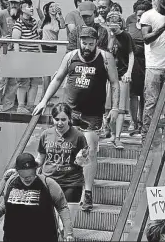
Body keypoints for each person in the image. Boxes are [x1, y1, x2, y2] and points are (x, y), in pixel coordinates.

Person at [33, 26, 120, 211]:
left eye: (90, 43)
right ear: (79, 41)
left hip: (92, 114)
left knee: (89, 151)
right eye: (84, 43)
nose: (87, 46)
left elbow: (114, 83)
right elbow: (57, 79)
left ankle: (87, 193)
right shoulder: (71, 56)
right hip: (70, 112)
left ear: (96, 42)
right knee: (63, 147)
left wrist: (115, 107)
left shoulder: (105, 58)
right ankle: (57, 185)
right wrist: (44, 101)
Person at [0, 153, 74, 242]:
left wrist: (68, 233)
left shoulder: (48, 184)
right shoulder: (11, 182)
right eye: (23, 176)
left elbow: (63, 208)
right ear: (18, 172)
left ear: (35, 170)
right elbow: (6, 204)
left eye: (30, 175)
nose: (27, 179)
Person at [139, 0, 165, 141]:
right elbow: (146, 39)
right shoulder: (148, 16)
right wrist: (164, 27)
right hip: (154, 67)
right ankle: (146, 136)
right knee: (151, 103)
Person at [35, 103, 89, 203]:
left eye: (63, 119)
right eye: (57, 119)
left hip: (71, 183)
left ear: (69, 119)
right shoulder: (46, 134)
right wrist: (26, 166)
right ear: (52, 119)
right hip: (48, 181)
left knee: (66, 217)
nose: (60, 123)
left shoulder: (79, 136)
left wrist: (81, 160)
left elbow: (84, 163)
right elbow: (40, 159)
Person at [106, 11, 134, 149]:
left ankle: (118, 137)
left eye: (116, 23)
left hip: (122, 75)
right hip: (109, 76)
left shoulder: (126, 36)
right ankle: (111, 133)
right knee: (109, 107)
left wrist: (129, 71)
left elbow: (131, 54)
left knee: (121, 108)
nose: (114, 25)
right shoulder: (108, 36)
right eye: (111, 22)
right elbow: (108, 51)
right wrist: (111, 35)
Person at [12, 0, 42, 113]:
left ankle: (30, 105)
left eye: (31, 6)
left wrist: (41, 54)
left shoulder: (34, 22)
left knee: (34, 82)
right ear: (22, 9)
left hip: (35, 56)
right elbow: (16, 42)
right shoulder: (18, 24)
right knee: (23, 83)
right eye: (29, 6)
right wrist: (18, 58)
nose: (31, 8)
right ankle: (21, 106)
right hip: (24, 57)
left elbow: (37, 39)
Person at [127, 0, 152, 133]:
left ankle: (143, 122)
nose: (140, 17)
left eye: (143, 14)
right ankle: (133, 121)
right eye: (138, 15)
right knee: (132, 94)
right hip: (132, 62)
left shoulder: (150, 27)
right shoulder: (130, 27)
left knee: (145, 94)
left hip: (147, 62)